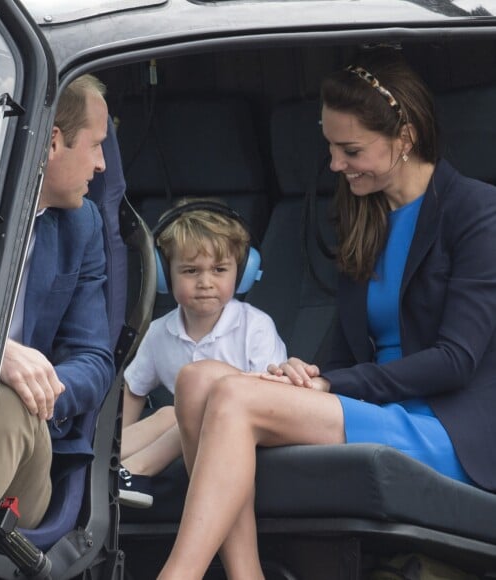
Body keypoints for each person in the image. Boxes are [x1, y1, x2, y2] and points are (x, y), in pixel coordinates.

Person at [157, 48, 496, 579]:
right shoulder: (363, 215)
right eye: (330, 147)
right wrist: (306, 373)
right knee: (199, 380)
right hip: (375, 405)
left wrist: (331, 385)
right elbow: (349, 341)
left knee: (232, 395)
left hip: (442, 426)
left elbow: (456, 360)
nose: (335, 164)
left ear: (403, 139)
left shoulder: (477, 212)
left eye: (350, 149)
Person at [0, 74, 114, 528]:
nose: (102, 166)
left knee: (11, 407)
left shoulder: (83, 225)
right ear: (53, 142)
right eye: (95, 146)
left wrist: (37, 385)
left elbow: (94, 360)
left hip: (21, 441)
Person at [119, 199, 287, 508]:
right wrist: (126, 438)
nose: (205, 282)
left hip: (249, 432)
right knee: (170, 413)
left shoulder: (255, 326)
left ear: (243, 273)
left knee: (186, 412)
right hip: (190, 433)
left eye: (220, 270)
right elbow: (134, 389)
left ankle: (133, 471)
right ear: (165, 275)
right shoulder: (158, 332)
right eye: (190, 270)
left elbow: (271, 396)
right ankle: (102, 466)